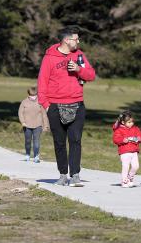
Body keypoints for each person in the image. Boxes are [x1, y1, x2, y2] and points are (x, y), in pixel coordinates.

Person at [37, 26, 96, 187]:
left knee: (75, 140)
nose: (78, 41)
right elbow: (42, 83)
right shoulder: (49, 57)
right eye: (76, 39)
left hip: (77, 104)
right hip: (55, 105)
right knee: (60, 142)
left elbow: (91, 75)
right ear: (67, 40)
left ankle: (75, 175)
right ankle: (63, 175)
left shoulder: (79, 56)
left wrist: (78, 69)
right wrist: (47, 105)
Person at [112, 110, 141, 187]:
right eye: (129, 122)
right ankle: (124, 181)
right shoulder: (119, 130)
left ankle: (130, 177)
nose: (131, 124)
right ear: (123, 122)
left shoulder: (135, 128)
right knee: (125, 166)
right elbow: (115, 139)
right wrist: (123, 140)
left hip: (134, 151)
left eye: (132, 122)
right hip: (124, 151)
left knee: (136, 166)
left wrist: (139, 138)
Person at [18, 86, 50, 163]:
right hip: (26, 125)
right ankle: (27, 155)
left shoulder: (40, 102)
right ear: (28, 93)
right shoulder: (24, 102)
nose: (33, 96)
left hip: (38, 125)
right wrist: (23, 122)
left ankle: (36, 156)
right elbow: (20, 113)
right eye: (31, 95)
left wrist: (46, 125)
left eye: (34, 95)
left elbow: (44, 114)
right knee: (28, 141)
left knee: (36, 141)